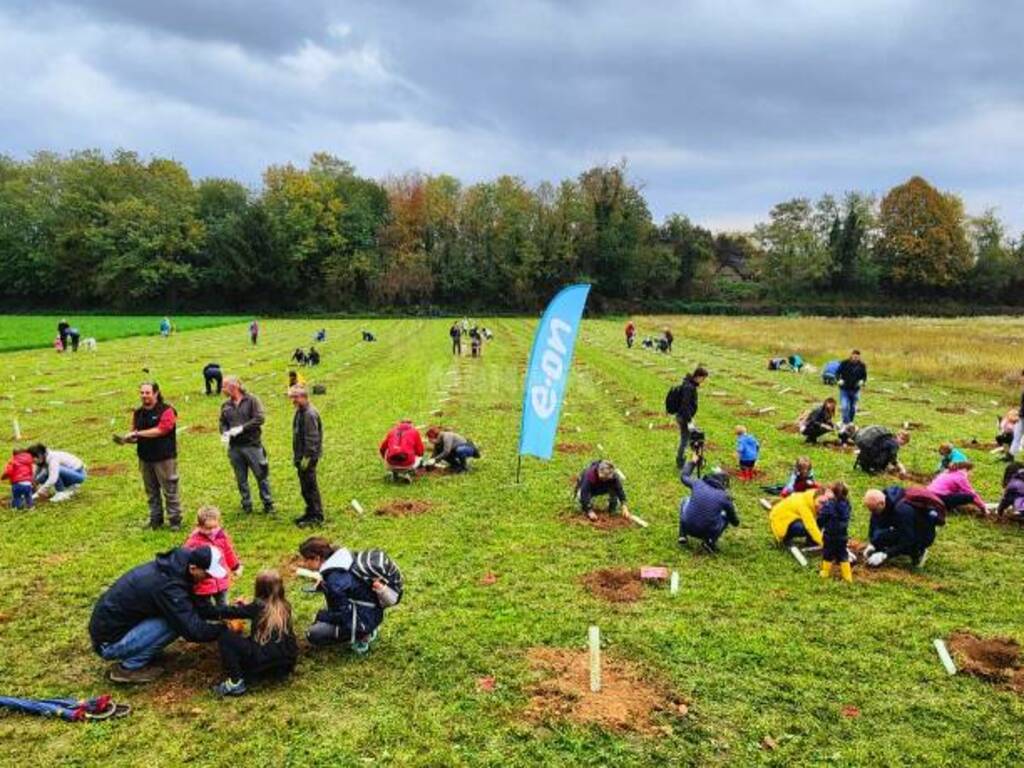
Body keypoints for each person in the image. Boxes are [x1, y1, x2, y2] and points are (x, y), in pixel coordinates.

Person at [88, 546, 228, 683]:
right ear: (194, 568)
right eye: (207, 574)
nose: (208, 578)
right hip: (108, 643)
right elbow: (193, 630)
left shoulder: (177, 568)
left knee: (177, 614)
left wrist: (235, 612)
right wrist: (224, 630)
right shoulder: (168, 586)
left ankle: (141, 649)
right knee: (175, 622)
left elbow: (198, 608)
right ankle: (128, 668)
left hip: (114, 628)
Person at [299, 538, 403, 653]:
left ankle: (362, 636)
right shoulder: (344, 557)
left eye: (305, 560)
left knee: (314, 634)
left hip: (364, 620)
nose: (304, 563)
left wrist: (321, 616)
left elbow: (343, 615)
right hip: (373, 610)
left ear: (317, 558)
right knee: (330, 614)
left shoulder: (334, 581)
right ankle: (368, 628)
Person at [209, 570, 298, 697]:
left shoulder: (256, 607)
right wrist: (245, 607)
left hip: (262, 662)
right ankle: (273, 673)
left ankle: (236, 682)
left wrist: (207, 611)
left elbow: (230, 612)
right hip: (287, 662)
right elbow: (259, 610)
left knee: (225, 636)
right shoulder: (285, 606)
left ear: (259, 589)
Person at [117, 382, 181, 531]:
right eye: (142, 393)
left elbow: (162, 430)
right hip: (145, 458)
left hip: (164, 458)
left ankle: (175, 520)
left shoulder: (167, 410)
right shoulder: (138, 413)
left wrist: (138, 434)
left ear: (156, 393)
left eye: (147, 393)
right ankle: (155, 519)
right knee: (151, 491)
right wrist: (129, 439)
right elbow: (135, 433)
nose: (144, 396)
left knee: (170, 490)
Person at [220, 376, 274, 515]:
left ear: (234, 387)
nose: (222, 390)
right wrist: (225, 433)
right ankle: (246, 504)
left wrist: (242, 428)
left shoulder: (252, 400)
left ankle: (268, 503)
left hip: (252, 445)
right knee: (241, 478)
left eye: (224, 386)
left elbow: (259, 418)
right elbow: (223, 422)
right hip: (235, 448)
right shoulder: (225, 405)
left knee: (261, 475)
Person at [861, 487, 944, 569]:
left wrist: (885, 554)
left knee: (909, 543)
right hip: (903, 526)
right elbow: (874, 524)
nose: (872, 513)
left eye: (874, 510)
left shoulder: (903, 510)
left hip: (922, 534)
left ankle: (918, 553)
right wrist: (872, 544)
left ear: (882, 503)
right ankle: (886, 550)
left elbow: (908, 540)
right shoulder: (883, 501)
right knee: (879, 536)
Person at [184, 505, 242, 607]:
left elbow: (228, 552)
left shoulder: (221, 536)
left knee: (223, 604)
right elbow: (185, 558)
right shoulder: (193, 541)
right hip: (204, 582)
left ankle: (225, 619)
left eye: (215, 527)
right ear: (199, 526)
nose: (212, 531)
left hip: (221, 579)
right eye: (208, 528)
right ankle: (207, 620)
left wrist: (235, 566)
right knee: (205, 606)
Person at [677, 459, 738, 553]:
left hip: (687, 526)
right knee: (726, 516)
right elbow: (735, 522)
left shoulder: (698, 483)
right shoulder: (724, 496)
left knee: (685, 500)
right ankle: (710, 542)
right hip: (706, 532)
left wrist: (693, 461)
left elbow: (684, 476)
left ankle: (682, 534)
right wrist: (731, 507)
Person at [289, 385, 323, 527]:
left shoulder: (309, 414)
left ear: (304, 397)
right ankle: (309, 511)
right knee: (305, 487)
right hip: (301, 455)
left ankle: (316, 515)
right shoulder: (300, 411)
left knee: (310, 486)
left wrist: (306, 458)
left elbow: (312, 438)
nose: (293, 400)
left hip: (308, 457)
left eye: (296, 397)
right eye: (292, 397)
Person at [668, 366, 708, 469]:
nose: (703, 381)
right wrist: (689, 420)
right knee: (686, 440)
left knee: (691, 438)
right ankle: (681, 461)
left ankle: (697, 459)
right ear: (698, 376)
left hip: (684, 416)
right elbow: (685, 405)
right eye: (703, 378)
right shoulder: (689, 387)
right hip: (684, 417)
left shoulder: (689, 384)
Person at [769, 486, 833, 547]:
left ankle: (812, 541)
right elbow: (811, 526)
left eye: (824, 503)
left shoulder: (813, 497)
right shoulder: (803, 506)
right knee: (803, 528)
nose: (822, 506)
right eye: (820, 502)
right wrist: (824, 544)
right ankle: (786, 537)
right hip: (782, 521)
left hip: (795, 516)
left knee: (823, 516)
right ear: (815, 498)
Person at [818, 482, 852, 583]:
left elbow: (822, 518)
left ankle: (825, 572)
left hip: (830, 535)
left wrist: (819, 525)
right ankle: (847, 576)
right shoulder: (847, 504)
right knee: (843, 554)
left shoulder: (829, 505)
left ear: (833, 493)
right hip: (843, 535)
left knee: (827, 553)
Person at [836, 350, 868, 424]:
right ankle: (846, 423)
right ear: (851, 356)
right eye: (854, 356)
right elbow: (837, 373)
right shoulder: (844, 363)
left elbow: (864, 376)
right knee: (844, 407)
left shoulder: (862, 365)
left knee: (853, 408)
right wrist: (839, 380)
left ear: (859, 357)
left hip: (855, 390)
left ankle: (850, 422)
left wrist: (862, 381)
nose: (855, 358)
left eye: (857, 357)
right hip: (844, 389)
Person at [1011, 369, 1024, 458]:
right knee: (1017, 436)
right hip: (1022, 415)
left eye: (1022, 376)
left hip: (1022, 416)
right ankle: (1011, 455)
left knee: (1017, 436)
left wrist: (1019, 415)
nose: (1021, 378)